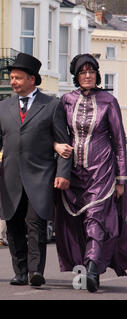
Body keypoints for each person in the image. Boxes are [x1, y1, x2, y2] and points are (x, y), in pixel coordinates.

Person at [0, 53, 72, 287]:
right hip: (10, 178)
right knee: (13, 224)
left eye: (18, 78)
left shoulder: (51, 105)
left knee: (36, 225)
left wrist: (63, 173)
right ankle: (20, 271)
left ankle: (35, 272)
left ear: (32, 79)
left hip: (41, 177)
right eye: (11, 78)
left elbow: (63, 143)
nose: (13, 82)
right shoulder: (3, 106)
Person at [54, 53, 127, 293]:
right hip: (73, 172)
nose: (87, 76)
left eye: (91, 71)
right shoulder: (66, 100)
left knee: (96, 219)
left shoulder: (109, 100)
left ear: (97, 74)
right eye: (83, 72)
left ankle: (93, 269)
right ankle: (82, 269)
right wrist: (56, 146)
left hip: (102, 170)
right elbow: (56, 134)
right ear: (76, 75)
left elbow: (119, 142)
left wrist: (121, 179)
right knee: (76, 223)